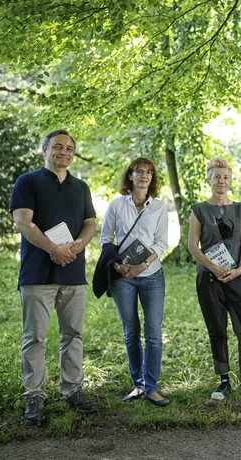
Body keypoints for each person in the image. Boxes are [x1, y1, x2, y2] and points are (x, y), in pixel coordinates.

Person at [9, 129, 98, 425]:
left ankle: (72, 389)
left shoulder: (81, 186)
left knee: (72, 335)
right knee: (34, 337)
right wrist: (54, 249)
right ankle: (34, 394)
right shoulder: (28, 182)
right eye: (58, 146)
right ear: (44, 149)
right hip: (37, 273)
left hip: (73, 273)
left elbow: (89, 224)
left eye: (70, 148)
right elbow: (23, 222)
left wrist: (75, 247)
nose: (65, 152)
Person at [188, 157, 241, 400]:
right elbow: (192, 246)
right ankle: (223, 380)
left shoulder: (240, 209)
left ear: (231, 181)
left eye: (225, 177)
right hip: (209, 279)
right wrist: (212, 267)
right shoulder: (198, 209)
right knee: (217, 330)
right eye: (217, 177)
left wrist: (240, 269)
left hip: (237, 277)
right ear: (208, 179)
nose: (221, 181)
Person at [100, 158, 170, 406]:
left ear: (152, 178)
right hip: (123, 278)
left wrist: (142, 265)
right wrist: (119, 266)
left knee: (153, 334)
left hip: (151, 276)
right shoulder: (117, 205)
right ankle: (138, 385)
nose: (144, 176)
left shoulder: (159, 207)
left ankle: (151, 386)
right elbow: (106, 239)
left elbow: (162, 243)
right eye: (139, 171)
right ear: (130, 176)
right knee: (131, 332)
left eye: (149, 173)